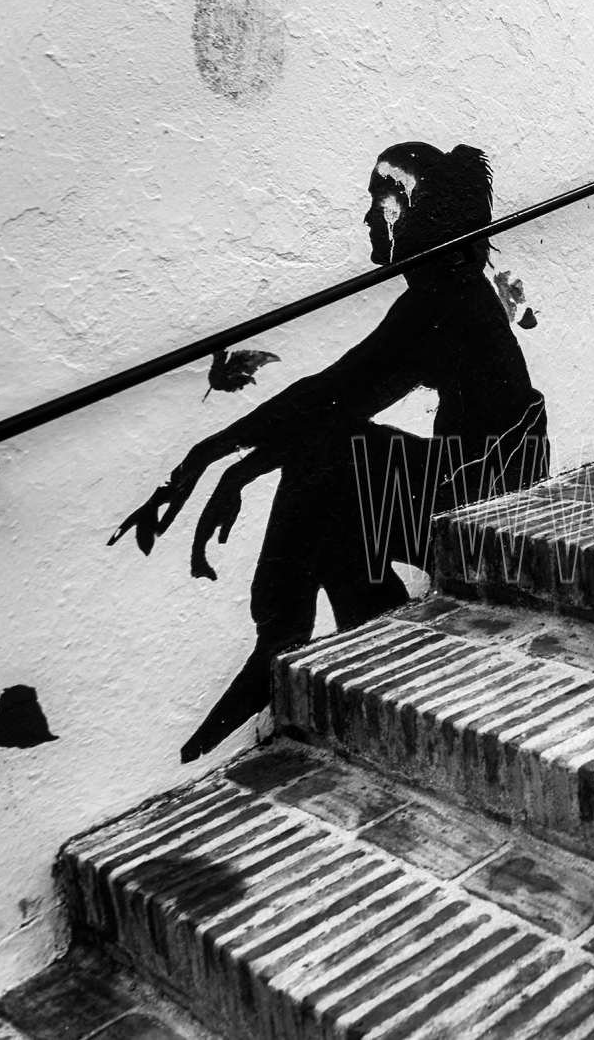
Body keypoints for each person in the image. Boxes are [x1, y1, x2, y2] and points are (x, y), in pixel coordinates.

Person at [111, 142, 549, 763]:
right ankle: (371, 638)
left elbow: (335, 397)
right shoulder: (444, 289)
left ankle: (284, 641)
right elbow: (336, 397)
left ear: (423, 213)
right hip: (481, 480)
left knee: (334, 459)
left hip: (493, 502)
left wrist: (216, 461)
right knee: (333, 481)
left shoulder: (444, 298)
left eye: (384, 199)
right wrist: (219, 461)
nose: (370, 216)